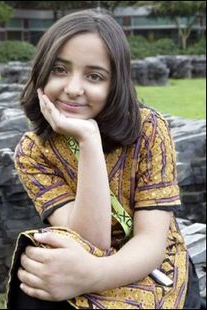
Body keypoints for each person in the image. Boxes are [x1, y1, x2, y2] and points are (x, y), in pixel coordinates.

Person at [12, 9, 201, 309]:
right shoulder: (34, 152)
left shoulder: (149, 130)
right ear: (41, 72)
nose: (73, 89)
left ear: (116, 84)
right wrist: (88, 141)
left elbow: (151, 242)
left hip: (151, 268)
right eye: (60, 70)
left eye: (94, 76)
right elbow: (92, 241)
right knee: (33, 276)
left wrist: (92, 274)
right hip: (83, 256)